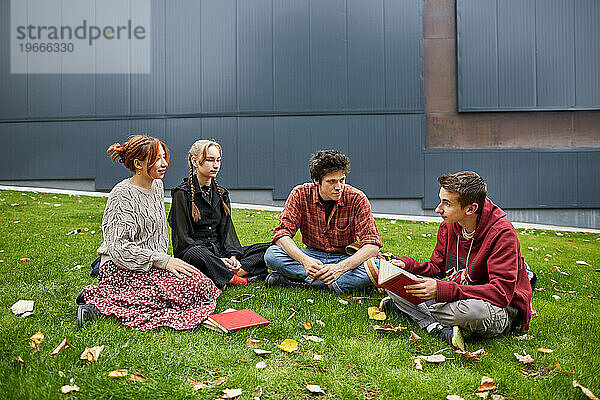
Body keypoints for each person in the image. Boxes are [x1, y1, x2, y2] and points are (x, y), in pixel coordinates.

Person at [77, 135, 221, 331]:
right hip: (121, 266)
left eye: (164, 157)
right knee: (182, 290)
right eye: (157, 159)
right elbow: (119, 248)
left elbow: (158, 234)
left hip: (153, 264)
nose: (165, 163)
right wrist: (162, 261)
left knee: (203, 285)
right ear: (138, 163)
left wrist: (164, 263)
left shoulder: (157, 186)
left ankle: (116, 297)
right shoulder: (122, 194)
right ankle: (99, 302)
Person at [380, 171, 533, 350]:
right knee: (397, 282)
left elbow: (500, 293)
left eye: (447, 203)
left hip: (497, 307)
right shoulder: (449, 225)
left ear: (470, 209)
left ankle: (412, 310)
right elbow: (437, 267)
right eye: (441, 200)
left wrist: (443, 290)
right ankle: (434, 327)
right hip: (459, 296)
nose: (438, 209)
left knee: (474, 313)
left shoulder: (502, 234)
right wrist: (408, 265)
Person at [264, 150, 383, 292]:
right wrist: (305, 261)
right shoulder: (300, 194)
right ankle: (336, 284)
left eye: (342, 180)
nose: (338, 187)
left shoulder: (357, 198)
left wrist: (340, 268)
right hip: (312, 257)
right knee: (272, 255)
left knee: (378, 267)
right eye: (331, 181)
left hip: (344, 259)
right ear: (316, 180)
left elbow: (372, 245)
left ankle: (304, 283)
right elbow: (282, 235)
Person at [168, 140, 269, 290]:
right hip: (197, 252)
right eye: (210, 160)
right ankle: (235, 278)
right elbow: (183, 239)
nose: (216, 165)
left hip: (219, 250)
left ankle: (235, 270)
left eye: (218, 160)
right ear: (195, 161)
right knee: (198, 254)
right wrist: (219, 260)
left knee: (269, 248)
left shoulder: (222, 194)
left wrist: (232, 257)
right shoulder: (182, 193)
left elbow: (226, 231)